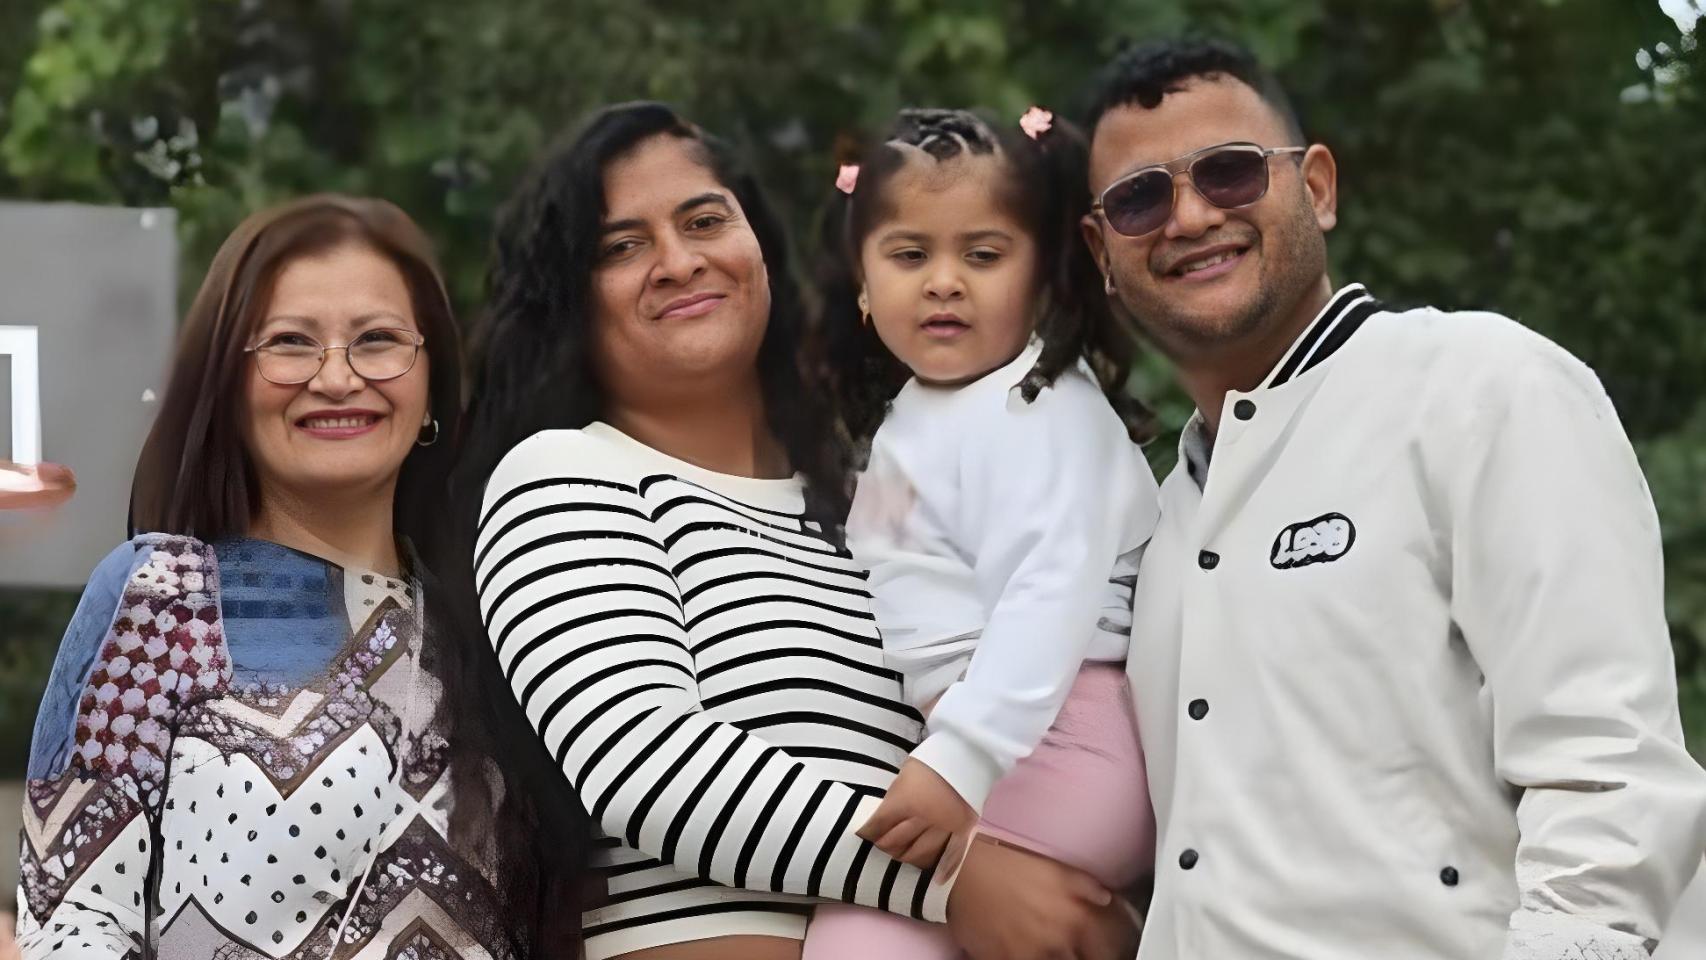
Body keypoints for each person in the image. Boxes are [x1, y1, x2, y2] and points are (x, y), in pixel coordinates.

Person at [451, 101, 1135, 960]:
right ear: (570, 297)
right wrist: (961, 883)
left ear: (758, 243)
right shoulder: (562, 476)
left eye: (705, 220)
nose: (677, 261)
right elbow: (654, 771)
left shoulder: (871, 501)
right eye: (620, 247)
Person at [1077, 36, 1706, 959]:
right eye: (1140, 198)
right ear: (1101, 251)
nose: (1189, 216)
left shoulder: (1479, 387)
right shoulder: (1162, 519)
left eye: (1230, 173)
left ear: (1318, 187)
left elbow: (1606, 768)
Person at [13, 195, 563, 959]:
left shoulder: (498, 628)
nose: (337, 377)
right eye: (290, 343)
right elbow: (72, 921)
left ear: (431, 383)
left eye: (377, 341)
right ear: (230, 388)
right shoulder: (163, 597)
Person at [801, 107, 1158, 960]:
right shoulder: (917, 417)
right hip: (995, 735)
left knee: (861, 934)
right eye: (910, 255)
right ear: (861, 282)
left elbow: (1051, 594)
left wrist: (960, 758)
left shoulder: (1042, 406)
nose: (944, 281)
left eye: (983, 255)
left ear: (1042, 279)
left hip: (1061, 731)